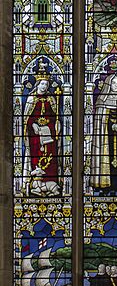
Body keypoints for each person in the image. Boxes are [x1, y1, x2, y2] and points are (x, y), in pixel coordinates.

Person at [90, 73, 117, 194]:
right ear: (108, 84)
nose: (115, 85)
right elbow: (100, 121)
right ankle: (106, 186)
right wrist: (111, 125)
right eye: (113, 83)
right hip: (106, 137)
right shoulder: (102, 100)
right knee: (107, 159)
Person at [23, 66, 61, 197]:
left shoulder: (51, 99)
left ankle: (51, 182)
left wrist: (54, 126)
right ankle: (35, 182)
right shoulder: (31, 99)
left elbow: (55, 116)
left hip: (48, 135)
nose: (44, 86)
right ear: (38, 84)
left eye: (46, 84)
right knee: (36, 157)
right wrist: (32, 124)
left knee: (51, 158)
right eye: (42, 84)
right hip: (35, 136)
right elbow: (26, 118)